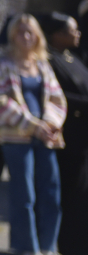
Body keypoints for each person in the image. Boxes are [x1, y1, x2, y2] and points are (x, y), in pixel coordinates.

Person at [0, 13, 66, 255]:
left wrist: (49, 123)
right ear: (12, 35)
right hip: (15, 137)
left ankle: (47, 247)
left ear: (38, 36)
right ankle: (24, 248)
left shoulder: (42, 64)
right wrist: (32, 125)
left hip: (45, 137)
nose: (26, 36)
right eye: (21, 32)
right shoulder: (0, 62)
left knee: (51, 193)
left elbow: (57, 98)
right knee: (24, 196)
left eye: (30, 32)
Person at [40, 13, 87, 255]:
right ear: (57, 35)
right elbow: (57, 99)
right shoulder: (49, 62)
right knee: (70, 198)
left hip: (84, 144)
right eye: (72, 30)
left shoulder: (74, 58)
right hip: (68, 142)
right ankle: (68, 246)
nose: (77, 34)